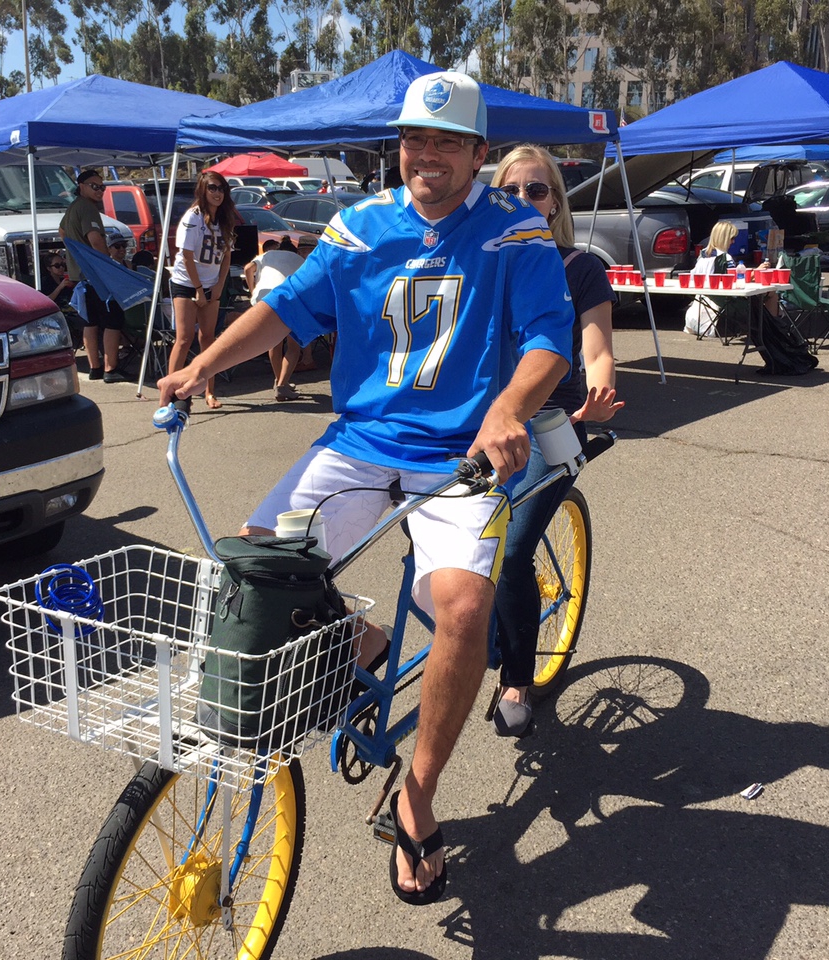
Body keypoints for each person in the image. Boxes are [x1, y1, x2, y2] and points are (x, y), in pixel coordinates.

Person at [159, 72, 574, 905]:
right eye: (415, 139)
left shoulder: (515, 233)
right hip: (360, 444)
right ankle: (363, 642)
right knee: (259, 569)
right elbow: (289, 313)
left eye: (446, 142)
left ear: (477, 155)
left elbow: (548, 343)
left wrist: (506, 407)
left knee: (461, 607)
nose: (427, 155)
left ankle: (417, 797)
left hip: (460, 456)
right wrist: (200, 363)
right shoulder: (358, 226)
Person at [488, 145, 623, 738]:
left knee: (512, 553)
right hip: (484, 423)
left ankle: (516, 677)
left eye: (536, 190)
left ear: (555, 203)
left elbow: (595, 348)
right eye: (510, 190)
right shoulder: (482, 260)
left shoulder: (581, 266)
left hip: (554, 424)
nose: (522, 200)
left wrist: (597, 395)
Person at [168, 171, 235, 408]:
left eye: (222, 189)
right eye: (213, 188)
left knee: (208, 339)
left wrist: (218, 285)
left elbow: (226, 255)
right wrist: (197, 288)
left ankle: (209, 392)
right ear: (203, 191)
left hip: (211, 284)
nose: (218, 193)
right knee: (184, 338)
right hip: (187, 283)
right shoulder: (193, 217)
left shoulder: (225, 219)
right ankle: (171, 394)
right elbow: (185, 255)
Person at [59, 169, 128, 383]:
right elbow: (96, 240)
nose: (100, 190)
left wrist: (75, 254)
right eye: (94, 186)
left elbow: (62, 232)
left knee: (90, 323)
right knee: (113, 320)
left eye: (102, 187)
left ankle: (95, 368)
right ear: (81, 186)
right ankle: (110, 369)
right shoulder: (88, 208)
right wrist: (108, 265)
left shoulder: (72, 208)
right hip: (95, 276)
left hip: (80, 276)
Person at [243, 238, 308, 401]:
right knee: (293, 345)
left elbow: (248, 268)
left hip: (265, 298)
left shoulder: (267, 255)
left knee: (274, 343)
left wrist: (253, 292)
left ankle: (279, 380)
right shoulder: (300, 260)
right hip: (288, 298)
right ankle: (282, 384)